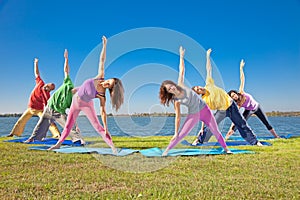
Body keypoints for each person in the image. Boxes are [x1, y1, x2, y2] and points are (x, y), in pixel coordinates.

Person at [48, 36, 124, 153]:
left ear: (110, 88)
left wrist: (106, 127)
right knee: (68, 126)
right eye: (109, 81)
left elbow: (103, 112)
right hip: (75, 102)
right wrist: (104, 46)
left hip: (86, 105)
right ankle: (58, 145)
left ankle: (112, 147)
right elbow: (102, 60)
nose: (106, 84)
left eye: (109, 85)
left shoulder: (102, 96)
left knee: (98, 127)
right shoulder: (100, 76)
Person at [159, 46, 231, 156]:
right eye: (169, 89)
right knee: (181, 134)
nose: (172, 88)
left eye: (171, 86)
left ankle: (226, 149)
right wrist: (175, 132)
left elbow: (182, 70)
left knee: (215, 131)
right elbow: (178, 117)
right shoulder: (176, 101)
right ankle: (167, 151)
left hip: (205, 110)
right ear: (169, 92)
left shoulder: (181, 85)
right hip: (193, 115)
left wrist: (182, 56)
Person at [192, 49, 262, 146]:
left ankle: (255, 142)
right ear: (198, 93)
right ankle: (199, 140)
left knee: (241, 124)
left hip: (231, 106)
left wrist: (207, 56)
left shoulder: (209, 84)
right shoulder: (204, 100)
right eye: (197, 90)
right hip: (221, 111)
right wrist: (201, 128)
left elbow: (209, 69)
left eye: (198, 87)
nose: (199, 88)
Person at [24, 49, 84, 144]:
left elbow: (72, 114)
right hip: (49, 108)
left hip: (59, 113)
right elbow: (66, 70)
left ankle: (78, 140)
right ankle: (33, 138)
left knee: (68, 125)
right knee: (41, 125)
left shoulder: (73, 100)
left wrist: (76, 125)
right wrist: (66, 59)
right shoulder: (68, 83)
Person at [225, 59, 280, 139]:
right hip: (249, 110)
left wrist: (241, 68)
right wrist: (232, 126)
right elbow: (236, 115)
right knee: (239, 122)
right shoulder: (238, 104)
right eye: (232, 97)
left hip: (257, 107)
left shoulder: (241, 92)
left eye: (234, 94)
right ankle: (226, 138)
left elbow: (242, 79)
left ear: (236, 93)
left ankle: (276, 136)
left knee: (266, 122)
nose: (234, 96)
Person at [7, 58, 60, 138]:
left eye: (49, 86)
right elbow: (36, 73)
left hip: (39, 110)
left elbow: (47, 105)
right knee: (21, 121)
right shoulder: (40, 83)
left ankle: (57, 134)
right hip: (30, 108)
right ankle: (14, 133)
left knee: (47, 121)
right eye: (48, 84)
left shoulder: (47, 95)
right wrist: (36, 63)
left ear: (50, 89)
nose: (47, 85)